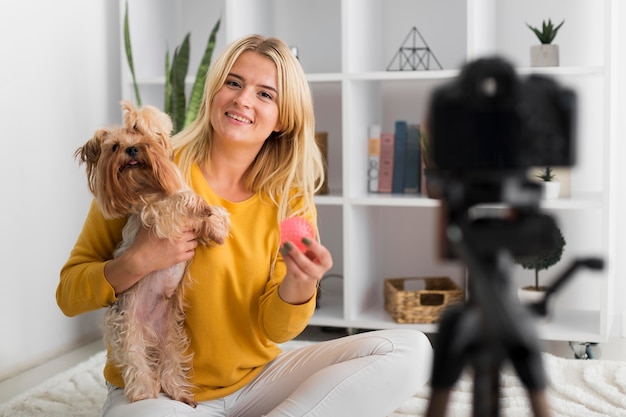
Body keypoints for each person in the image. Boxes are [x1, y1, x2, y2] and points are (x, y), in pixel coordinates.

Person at [57, 34, 433, 417]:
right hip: (157, 391)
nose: (242, 100)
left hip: (260, 383)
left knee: (411, 350)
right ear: (213, 90)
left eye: (265, 94)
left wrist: (301, 285)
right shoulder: (150, 166)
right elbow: (69, 294)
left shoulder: (291, 197)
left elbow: (277, 330)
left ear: (284, 118)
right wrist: (136, 262)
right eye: (233, 83)